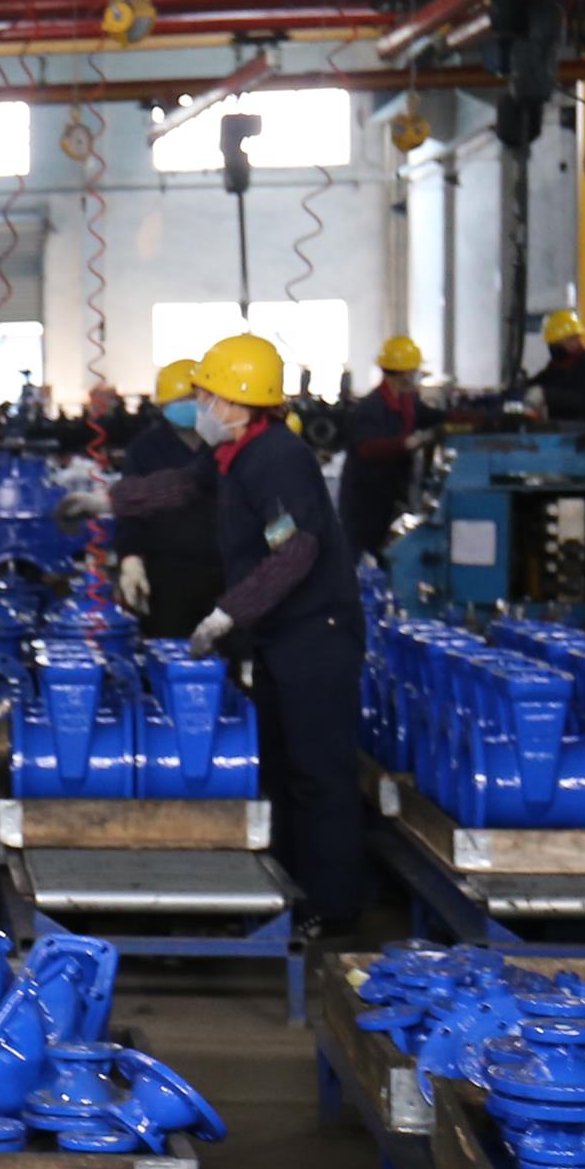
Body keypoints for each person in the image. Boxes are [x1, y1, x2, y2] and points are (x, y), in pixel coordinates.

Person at [100, 331, 368, 931]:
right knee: (281, 772)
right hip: (280, 637)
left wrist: (228, 613)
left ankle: (333, 909)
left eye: (205, 395)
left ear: (237, 404)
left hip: (316, 637)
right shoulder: (234, 452)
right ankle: (290, 895)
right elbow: (179, 486)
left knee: (317, 776)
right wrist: (104, 502)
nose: (198, 405)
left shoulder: (276, 459)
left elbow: (294, 551)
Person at [109, 359, 223, 641]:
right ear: (163, 406)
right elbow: (130, 511)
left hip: (224, 572)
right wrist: (130, 558)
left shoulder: (224, 445)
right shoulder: (145, 449)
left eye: (194, 398)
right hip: (166, 576)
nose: (189, 405)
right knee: (167, 648)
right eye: (180, 400)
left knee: (224, 654)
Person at [338, 334, 428, 557]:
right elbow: (367, 448)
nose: (416, 375)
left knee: (388, 555)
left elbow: (434, 416)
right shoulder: (371, 408)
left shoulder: (405, 402)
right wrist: (405, 444)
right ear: (404, 373)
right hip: (366, 502)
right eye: (414, 370)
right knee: (366, 559)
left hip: (389, 496)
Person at [530, 307, 585, 441]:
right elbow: (539, 381)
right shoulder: (557, 366)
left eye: (558, 343)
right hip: (566, 438)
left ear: (573, 339)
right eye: (553, 344)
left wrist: (546, 394)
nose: (554, 347)